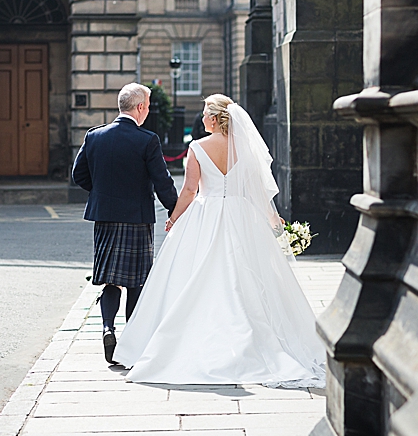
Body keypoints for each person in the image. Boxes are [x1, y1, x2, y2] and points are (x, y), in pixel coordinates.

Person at [112, 94, 327, 387]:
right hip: (243, 216)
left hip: (207, 215)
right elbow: (258, 193)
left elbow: (189, 191)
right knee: (247, 279)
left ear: (214, 119)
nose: (201, 119)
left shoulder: (198, 148)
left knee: (195, 277)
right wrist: (274, 222)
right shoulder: (247, 149)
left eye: (204, 114)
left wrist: (174, 219)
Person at [72, 83, 179, 364]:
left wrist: (102, 192)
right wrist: (176, 211)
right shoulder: (147, 140)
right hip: (136, 219)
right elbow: (163, 183)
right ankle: (131, 338)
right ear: (141, 107)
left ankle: (108, 328)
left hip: (105, 218)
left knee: (110, 280)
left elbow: (78, 175)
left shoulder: (95, 136)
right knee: (136, 283)